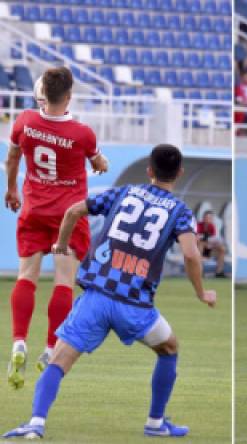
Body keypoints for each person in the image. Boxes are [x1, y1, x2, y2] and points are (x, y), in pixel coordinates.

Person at [2, 144, 217, 439]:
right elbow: (191, 254)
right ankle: (155, 423)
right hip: (136, 306)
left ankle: (35, 423)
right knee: (169, 348)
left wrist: (61, 245)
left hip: (97, 297)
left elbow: (74, 210)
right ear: (180, 173)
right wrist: (202, 293)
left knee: (59, 359)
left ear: (149, 171)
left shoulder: (125, 193)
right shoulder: (180, 212)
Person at [5, 67, 109, 389]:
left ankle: (19, 342)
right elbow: (98, 162)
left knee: (26, 276)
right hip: (69, 217)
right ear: (68, 96)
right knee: (63, 281)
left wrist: (11, 190)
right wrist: (101, 162)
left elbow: (12, 158)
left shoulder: (24, 122)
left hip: (34, 209)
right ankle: (50, 348)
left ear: (42, 94)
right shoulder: (82, 134)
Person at [196, 211, 227, 278]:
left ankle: (219, 272)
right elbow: (197, 238)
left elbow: (213, 238)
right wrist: (206, 240)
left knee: (222, 249)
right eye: (207, 218)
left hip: (209, 248)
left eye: (210, 218)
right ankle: (199, 271)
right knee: (201, 244)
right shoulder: (198, 226)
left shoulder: (212, 226)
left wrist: (210, 243)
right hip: (199, 249)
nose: (208, 219)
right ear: (203, 218)